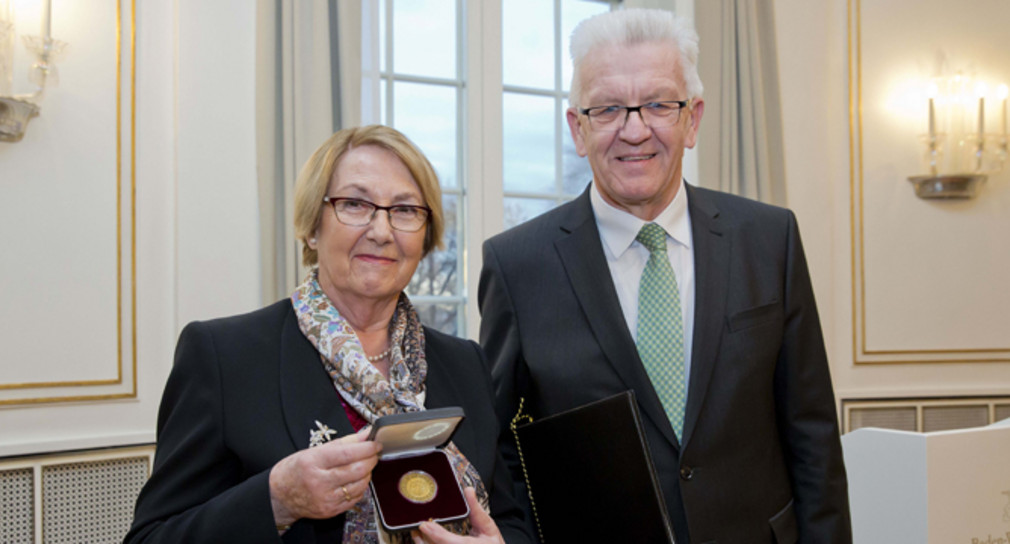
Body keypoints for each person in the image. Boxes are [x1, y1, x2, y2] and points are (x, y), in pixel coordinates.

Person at [478, 9, 851, 543]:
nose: (634, 130)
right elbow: (497, 447)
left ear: (692, 119)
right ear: (577, 129)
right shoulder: (517, 265)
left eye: (657, 104)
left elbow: (812, 436)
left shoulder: (770, 241)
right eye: (607, 108)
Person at [126, 125, 533, 544]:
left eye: (406, 210)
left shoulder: (466, 362)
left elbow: (512, 520)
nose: (381, 230)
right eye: (355, 204)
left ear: (426, 237)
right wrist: (277, 500)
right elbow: (151, 538)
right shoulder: (224, 358)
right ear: (311, 226)